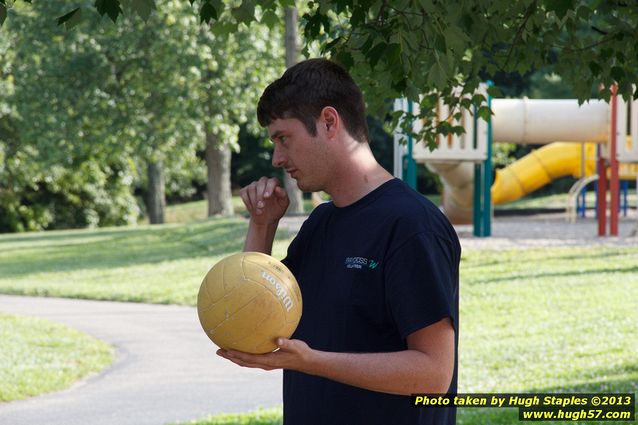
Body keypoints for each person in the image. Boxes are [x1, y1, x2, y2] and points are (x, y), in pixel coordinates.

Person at [216, 58, 460, 425]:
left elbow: (433, 374)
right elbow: (252, 318)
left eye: (284, 138)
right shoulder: (320, 223)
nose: (277, 158)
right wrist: (262, 225)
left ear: (329, 122)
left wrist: (312, 362)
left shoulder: (411, 226)